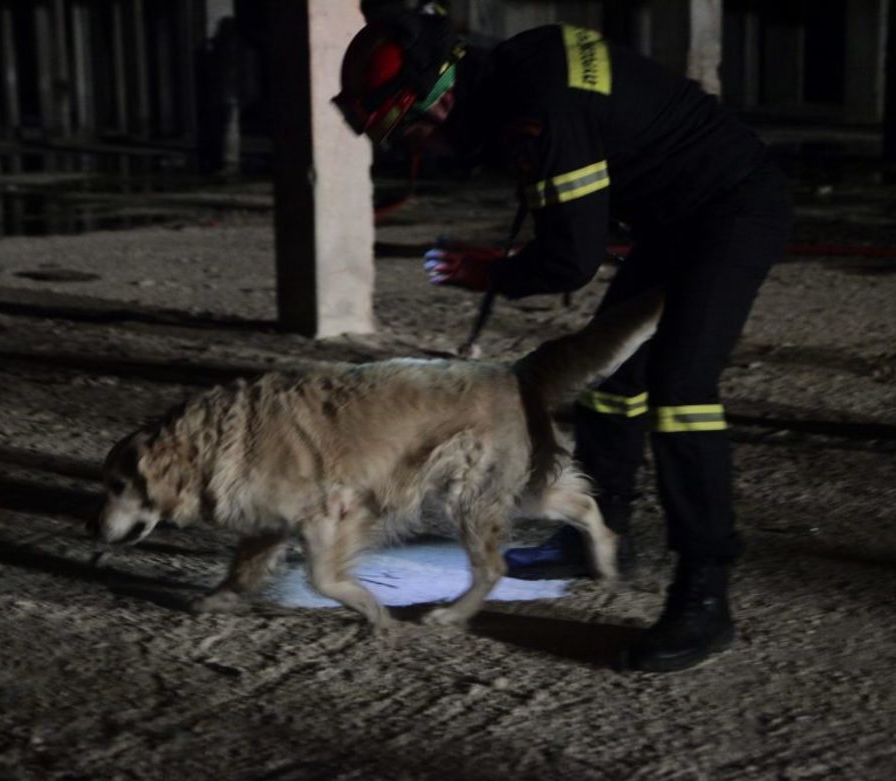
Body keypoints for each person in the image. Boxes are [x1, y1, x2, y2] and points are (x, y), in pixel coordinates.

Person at [333, 5, 793, 672]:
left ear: (441, 97)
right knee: (611, 380)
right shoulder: (522, 68)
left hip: (733, 209)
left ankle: (705, 593)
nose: (421, 148)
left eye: (414, 132)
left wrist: (489, 271)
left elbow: (569, 259)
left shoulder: (536, 111)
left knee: (681, 391)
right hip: (675, 217)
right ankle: (596, 535)